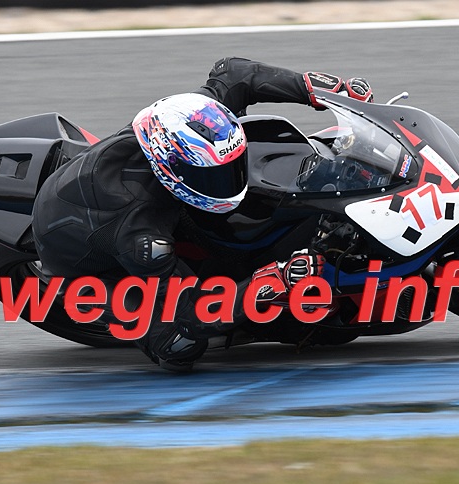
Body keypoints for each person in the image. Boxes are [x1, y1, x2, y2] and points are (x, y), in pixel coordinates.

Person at [31, 57, 373, 371]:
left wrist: (317, 89)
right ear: (171, 168)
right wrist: (267, 284)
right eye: (213, 176)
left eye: (230, 169)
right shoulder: (142, 237)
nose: (229, 180)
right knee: (180, 346)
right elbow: (194, 312)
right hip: (85, 263)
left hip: (110, 195)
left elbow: (235, 73)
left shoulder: (187, 116)